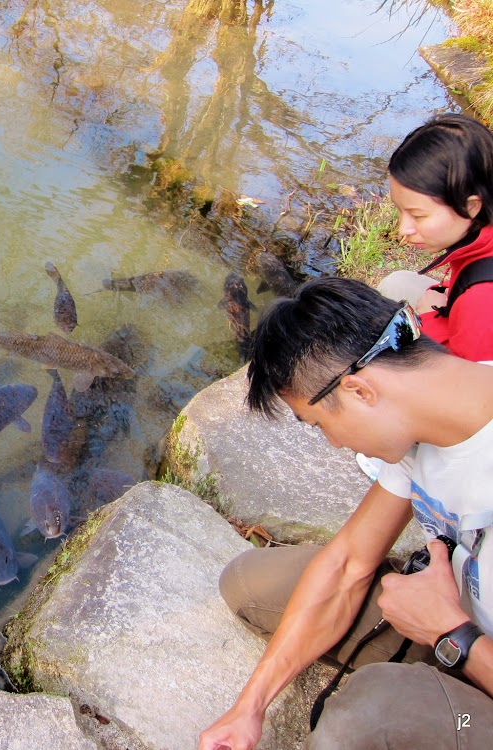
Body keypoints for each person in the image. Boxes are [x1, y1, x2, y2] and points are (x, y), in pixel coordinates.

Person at [197, 277, 493, 750]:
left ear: (359, 391)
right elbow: (348, 564)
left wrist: (450, 633)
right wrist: (248, 708)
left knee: (363, 718)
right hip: (457, 612)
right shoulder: (431, 414)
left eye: (320, 426)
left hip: (467, 643)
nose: (334, 443)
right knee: (249, 585)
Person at [377, 112, 493, 361]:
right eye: (400, 211)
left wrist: (429, 317)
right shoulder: (481, 233)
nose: (403, 230)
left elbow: (468, 388)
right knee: (397, 283)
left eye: (418, 216)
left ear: (472, 206)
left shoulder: (483, 301)